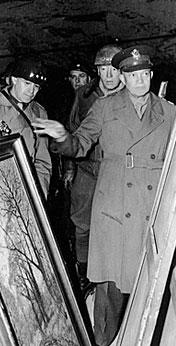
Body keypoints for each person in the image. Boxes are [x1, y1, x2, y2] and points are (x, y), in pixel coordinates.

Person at [32, 45, 176, 346]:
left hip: (152, 205)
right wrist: (62, 137)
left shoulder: (170, 111)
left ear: (151, 75)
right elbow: (80, 144)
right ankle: (102, 341)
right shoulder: (105, 107)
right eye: (132, 75)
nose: (139, 80)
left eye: (144, 74)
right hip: (114, 203)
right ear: (122, 78)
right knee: (110, 287)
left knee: (149, 280)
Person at [63, 44, 124, 298]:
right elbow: (71, 131)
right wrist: (68, 168)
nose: (108, 76)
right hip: (87, 169)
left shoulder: (133, 92)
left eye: (113, 69)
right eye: (102, 69)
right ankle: (85, 274)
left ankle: (115, 276)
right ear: (96, 71)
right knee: (82, 224)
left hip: (117, 172)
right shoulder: (84, 96)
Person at [0, 56, 52, 198]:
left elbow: (42, 160)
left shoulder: (39, 113)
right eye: (27, 83)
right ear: (14, 79)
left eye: (36, 87)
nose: (31, 91)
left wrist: (39, 193)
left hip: (23, 186)